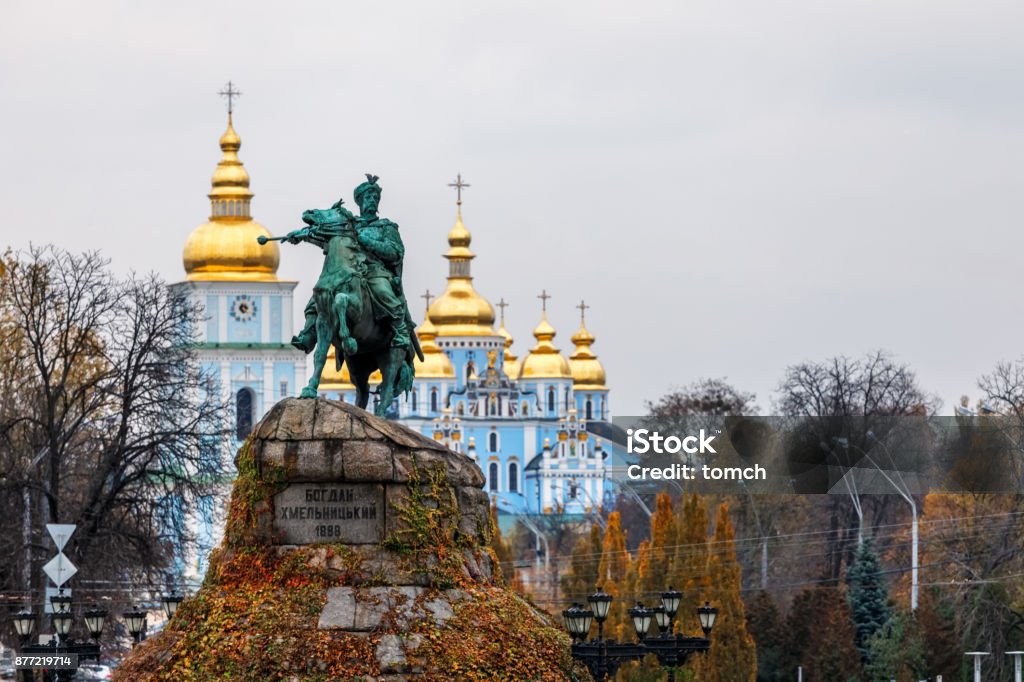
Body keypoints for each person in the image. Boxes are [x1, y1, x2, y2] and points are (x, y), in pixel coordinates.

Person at [290, 174, 411, 352]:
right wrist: (302, 236)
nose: (372, 200)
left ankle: (400, 331)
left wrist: (368, 242)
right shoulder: (350, 225)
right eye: (367, 197)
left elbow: (395, 253)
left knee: (384, 292)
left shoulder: (386, 227)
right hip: (350, 270)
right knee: (318, 298)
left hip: (375, 272)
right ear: (360, 202)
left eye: (375, 197)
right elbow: (329, 240)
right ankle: (308, 335)